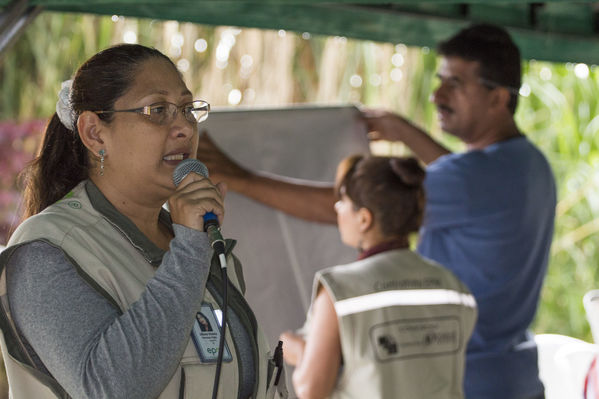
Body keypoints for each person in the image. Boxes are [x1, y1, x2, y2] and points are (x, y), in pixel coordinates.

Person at [197, 23, 556, 399]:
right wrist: (405, 132)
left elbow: (312, 387)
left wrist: (239, 177)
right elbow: (458, 178)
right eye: (440, 80)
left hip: (462, 378)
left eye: (456, 84)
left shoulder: (345, 289)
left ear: (499, 97)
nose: (436, 95)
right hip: (515, 377)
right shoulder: (529, 165)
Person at [0, 44, 285, 399]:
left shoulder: (198, 240)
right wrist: (190, 251)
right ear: (95, 133)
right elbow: (112, 388)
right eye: (157, 110)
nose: (184, 127)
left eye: (187, 108)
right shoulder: (46, 251)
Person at [279, 154, 477, 399]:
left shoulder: (340, 290)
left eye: (343, 200)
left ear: (364, 218)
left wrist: (297, 351)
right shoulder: (454, 288)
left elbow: (311, 389)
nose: (337, 208)